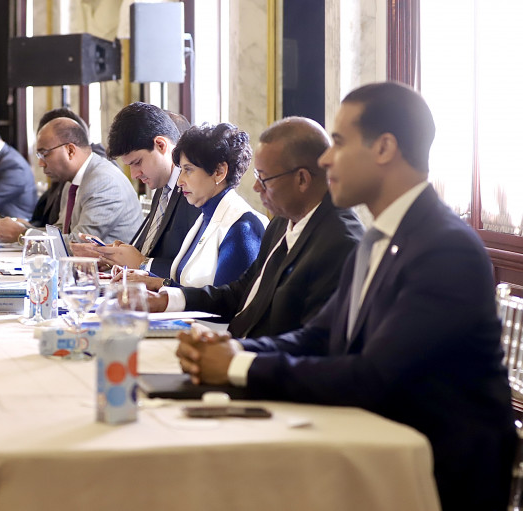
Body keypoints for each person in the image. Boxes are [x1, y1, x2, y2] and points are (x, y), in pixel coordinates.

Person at [175, 82, 515, 510]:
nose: (325, 159)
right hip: (374, 442)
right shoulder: (382, 235)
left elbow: (376, 376)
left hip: (436, 472)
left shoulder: (444, 246)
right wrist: (231, 350)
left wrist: (238, 365)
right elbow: (319, 336)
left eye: (338, 142)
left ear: (384, 148)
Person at [150, 117, 364, 339]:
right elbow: (241, 291)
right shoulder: (282, 221)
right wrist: (168, 299)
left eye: (264, 178)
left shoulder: (341, 243)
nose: (255, 187)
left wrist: (236, 351)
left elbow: (311, 341)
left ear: (302, 179)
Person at [123, 123, 268, 291]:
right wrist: (148, 279)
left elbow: (224, 301)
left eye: (188, 170)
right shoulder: (205, 215)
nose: (179, 181)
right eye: (181, 170)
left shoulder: (242, 228)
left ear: (219, 172)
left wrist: (160, 285)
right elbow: (188, 284)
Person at [78, 103, 199, 278]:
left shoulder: (194, 192)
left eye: (137, 163)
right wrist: (116, 256)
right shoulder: (162, 188)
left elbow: (195, 271)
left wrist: (142, 264)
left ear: (161, 145)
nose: (134, 175)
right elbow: (148, 252)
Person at [0, 117, 142, 244]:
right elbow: (61, 232)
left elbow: (79, 243)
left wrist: (22, 235)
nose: (40, 163)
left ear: (70, 150)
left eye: (44, 154)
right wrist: (26, 228)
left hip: (111, 268)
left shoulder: (104, 182)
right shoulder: (72, 182)